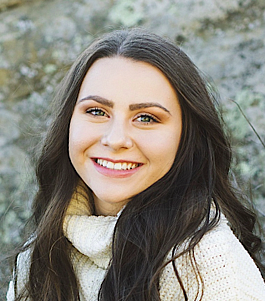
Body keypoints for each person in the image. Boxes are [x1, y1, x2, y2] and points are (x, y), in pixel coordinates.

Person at [7, 28, 265, 301]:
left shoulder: (208, 268)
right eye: (96, 111)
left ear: (187, 137)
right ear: (68, 123)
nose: (115, 139)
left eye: (146, 118)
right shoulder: (39, 257)